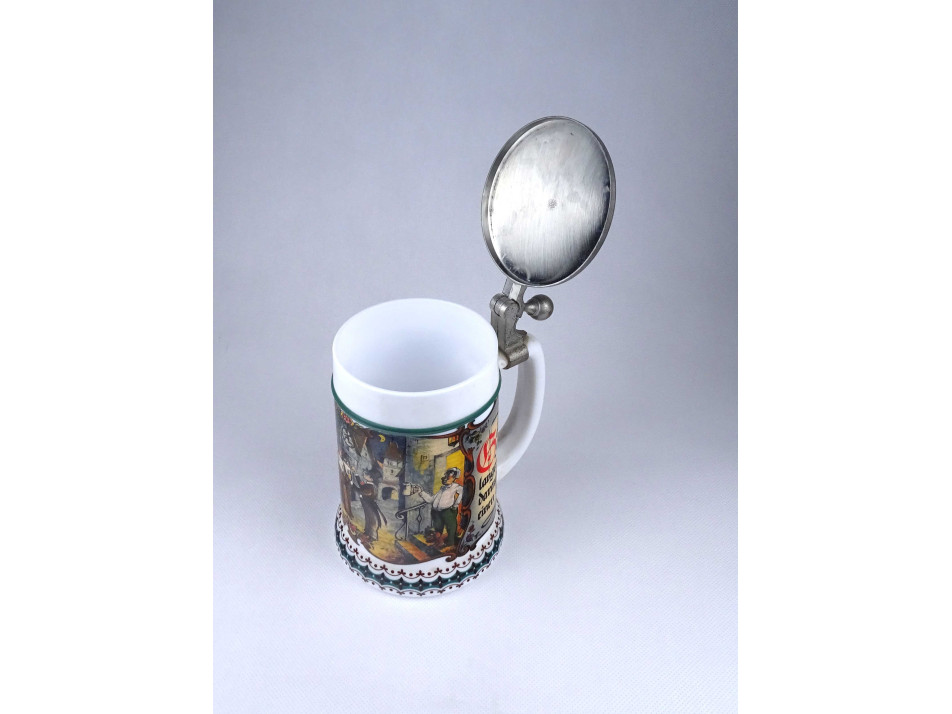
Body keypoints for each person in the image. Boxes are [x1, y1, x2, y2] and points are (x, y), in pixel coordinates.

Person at [413, 468, 462, 546]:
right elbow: (431, 499)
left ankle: (450, 543)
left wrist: (455, 505)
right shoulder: (442, 488)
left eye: (449, 476)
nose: (446, 477)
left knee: (451, 527)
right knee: (438, 529)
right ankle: (439, 542)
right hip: (436, 512)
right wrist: (421, 492)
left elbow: (462, 493)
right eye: (446, 475)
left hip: (447, 511)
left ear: (454, 478)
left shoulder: (455, 487)